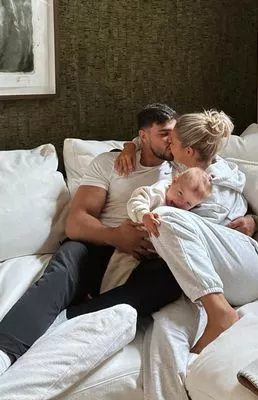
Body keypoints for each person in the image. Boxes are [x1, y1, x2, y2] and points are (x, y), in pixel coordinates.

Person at [114, 109, 258, 400]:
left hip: (244, 267)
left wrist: (253, 220)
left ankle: (221, 314)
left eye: (174, 140)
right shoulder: (176, 175)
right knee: (162, 336)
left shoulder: (221, 176)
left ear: (185, 150)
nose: (168, 143)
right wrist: (127, 147)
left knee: (168, 217)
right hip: (200, 282)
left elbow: (244, 217)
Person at [0, 103, 183, 375]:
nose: (173, 140)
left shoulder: (183, 165)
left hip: (148, 254)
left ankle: (68, 320)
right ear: (142, 136)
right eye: (164, 134)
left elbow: (225, 180)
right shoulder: (110, 163)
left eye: (175, 133)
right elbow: (76, 222)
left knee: (169, 281)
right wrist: (115, 236)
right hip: (97, 243)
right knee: (63, 269)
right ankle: (5, 351)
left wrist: (252, 220)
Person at [100, 167, 213, 292]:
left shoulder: (184, 214)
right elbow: (136, 201)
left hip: (158, 256)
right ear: (174, 181)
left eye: (188, 203)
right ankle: (105, 296)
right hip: (135, 245)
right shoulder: (156, 193)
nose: (180, 202)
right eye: (180, 193)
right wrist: (144, 215)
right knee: (119, 272)